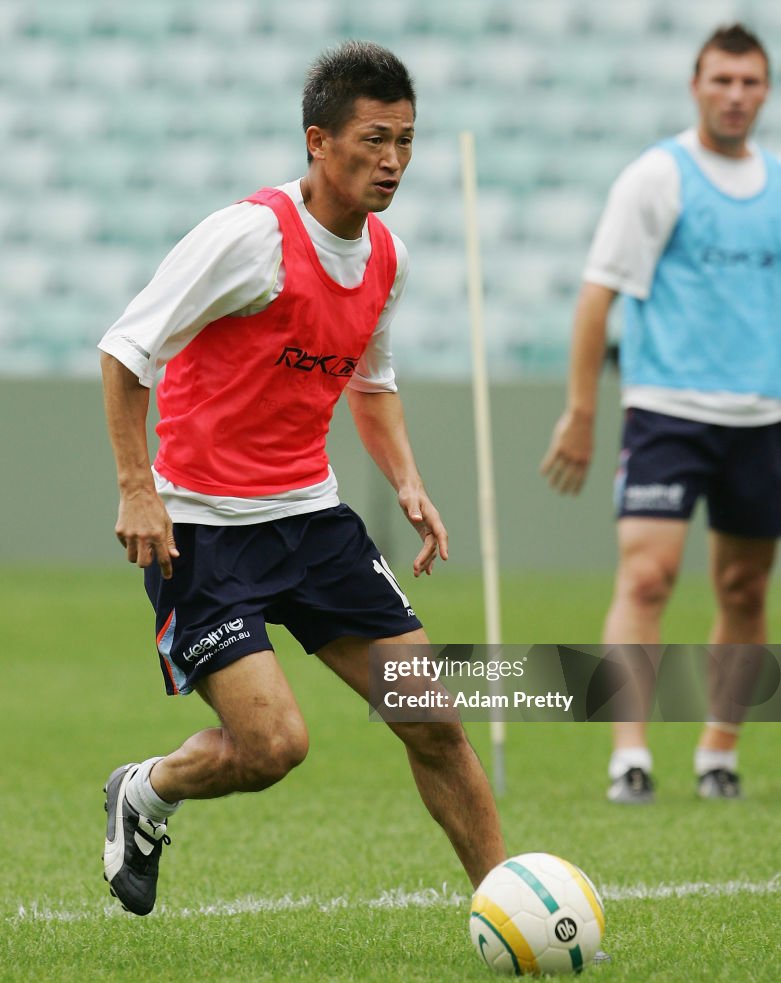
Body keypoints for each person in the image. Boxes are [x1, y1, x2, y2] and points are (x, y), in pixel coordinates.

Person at [99, 41, 505, 915]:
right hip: (201, 533)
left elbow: (370, 378)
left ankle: (507, 904)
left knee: (432, 716)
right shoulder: (248, 238)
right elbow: (126, 351)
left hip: (314, 525)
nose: (392, 161)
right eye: (372, 139)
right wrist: (138, 486)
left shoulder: (384, 257)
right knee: (273, 746)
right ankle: (146, 790)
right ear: (318, 141)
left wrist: (406, 481)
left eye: (405, 140)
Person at [541, 24, 780, 803]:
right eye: (721, 81)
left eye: (749, 82)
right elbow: (595, 295)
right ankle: (629, 757)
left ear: (764, 90)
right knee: (646, 578)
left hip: (761, 418)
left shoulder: (776, 184)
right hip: (666, 412)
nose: (735, 96)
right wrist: (581, 412)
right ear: (695, 85)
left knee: (745, 588)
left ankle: (717, 752)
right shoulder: (656, 177)